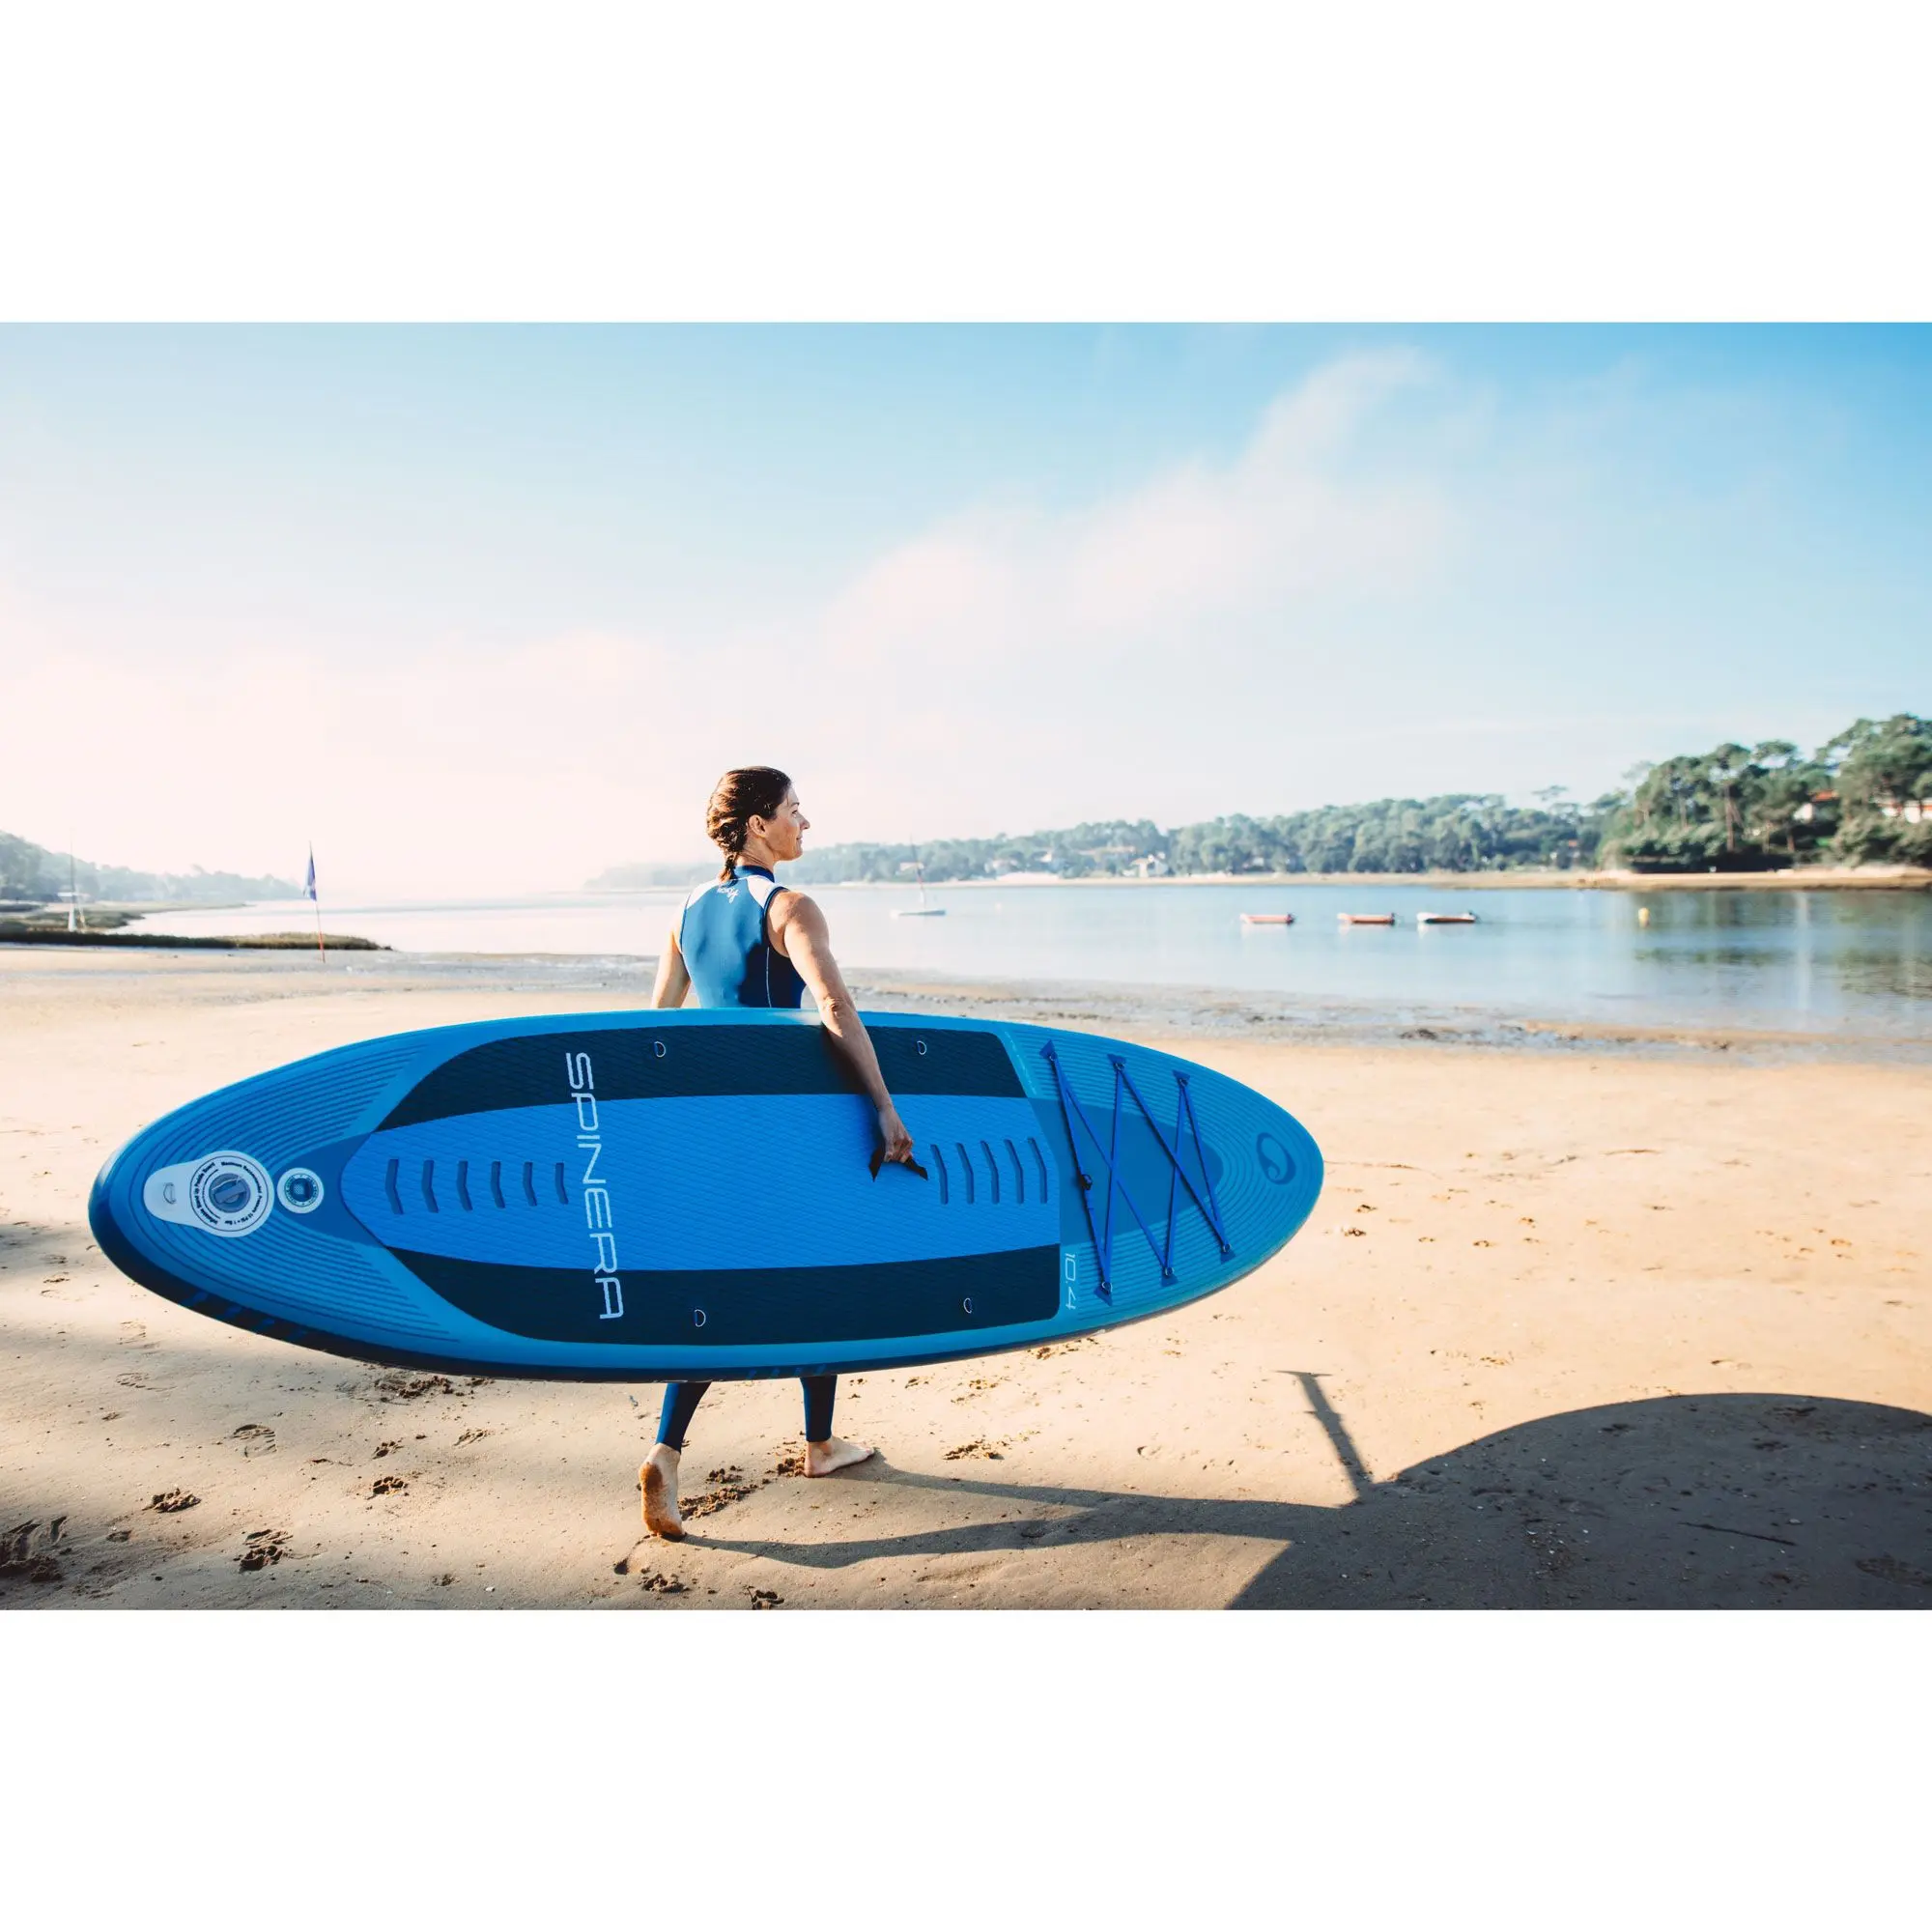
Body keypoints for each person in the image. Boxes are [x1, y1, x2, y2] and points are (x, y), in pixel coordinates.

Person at [638, 765, 919, 1539]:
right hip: (791, 1126)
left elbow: (653, 1027)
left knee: (720, 1283)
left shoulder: (686, 911)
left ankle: (669, 1450)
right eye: (794, 810)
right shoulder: (789, 906)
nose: (805, 823)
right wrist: (884, 1106)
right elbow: (834, 1006)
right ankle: (818, 1444)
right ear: (759, 824)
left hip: (713, 1131)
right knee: (823, 1272)